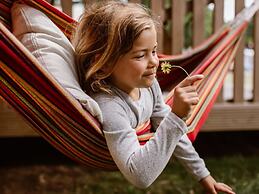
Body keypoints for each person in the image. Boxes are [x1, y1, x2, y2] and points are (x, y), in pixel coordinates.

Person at [72, 1, 235, 193]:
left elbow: (168, 126)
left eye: (154, 51)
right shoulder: (110, 106)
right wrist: (176, 117)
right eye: (141, 55)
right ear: (105, 63)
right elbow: (140, 176)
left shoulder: (149, 86)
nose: (155, 62)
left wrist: (203, 175)